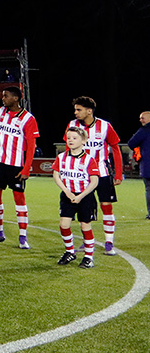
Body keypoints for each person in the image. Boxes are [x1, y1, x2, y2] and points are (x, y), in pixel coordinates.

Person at [65, 96, 123, 255]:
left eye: (79, 110)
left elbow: (115, 148)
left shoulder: (105, 126)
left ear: (89, 111)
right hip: (81, 176)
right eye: (75, 109)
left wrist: (118, 173)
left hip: (102, 173)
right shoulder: (72, 125)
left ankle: (109, 242)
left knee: (106, 206)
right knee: (85, 209)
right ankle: (87, 242)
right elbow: (68, 149)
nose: (76, 113)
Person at [0, 86, 39, 249]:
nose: (3, 98)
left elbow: (31, 146)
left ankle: (22, 237)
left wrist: (26, 168)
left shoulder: (28, 119)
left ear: (16, 98)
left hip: (15, 165)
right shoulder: (1, 111)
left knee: (19, 199)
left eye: (6, 96)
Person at [53, 126, 100, 268]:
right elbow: (56, 175)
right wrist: (66, 191)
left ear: (84, 140)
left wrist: (81, 196)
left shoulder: (89, 160)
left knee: (85, 225)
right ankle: (70, 252)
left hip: (85, 197)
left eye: (74, 138)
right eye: (68, 138)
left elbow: (94, 181)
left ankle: (88, 257)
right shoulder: (61, 157)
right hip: (68, 196)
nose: (70, 140)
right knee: (64, 224)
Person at [126, 111, 150, 219]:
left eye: (142, 118)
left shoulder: (144, 130)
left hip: (148, 166)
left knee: (149, 189)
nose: (140, 120)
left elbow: (131, 143)